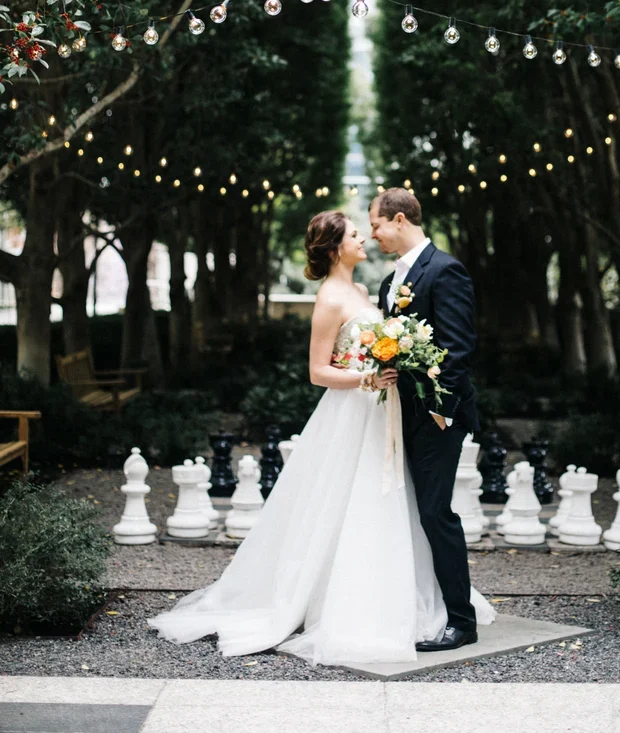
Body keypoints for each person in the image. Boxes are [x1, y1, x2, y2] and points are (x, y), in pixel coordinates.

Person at [147, 209, 493, 665]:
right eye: (355, 234)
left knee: (396, 501)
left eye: (368, 229)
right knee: (350, 503)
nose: (365, 238)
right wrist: (367, 378)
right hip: (357, 407)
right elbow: (317, 371)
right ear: (334, 248)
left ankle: (410, 599)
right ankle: (341, 605)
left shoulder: (373, 289)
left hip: (387, 412)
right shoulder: (330, 298)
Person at [370, 187, 480, 652]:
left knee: (436, 513)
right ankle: (420, 606)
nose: (373, 233)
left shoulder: (445, 269)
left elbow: (458, 349)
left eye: (376, 224)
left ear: (398, 220)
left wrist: (440, 411)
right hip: (401, 413)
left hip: (437, 416)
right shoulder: (390, 280)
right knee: (409, 512)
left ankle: (462, 620)